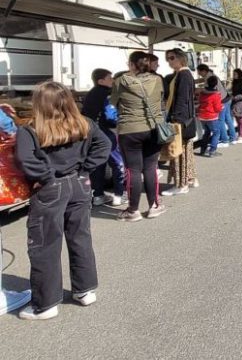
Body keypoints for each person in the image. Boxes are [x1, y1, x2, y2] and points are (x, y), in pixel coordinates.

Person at [14, 81, 110, 320]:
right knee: (80, 238)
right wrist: (85, 169)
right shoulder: (84, 123)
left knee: (45, 244)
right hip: (79, 183)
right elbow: (104, 145)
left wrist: (46, 177)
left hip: (50, 188)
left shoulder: (31, 130)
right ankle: (84, 290)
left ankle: (46, 304)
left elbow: (25, 160)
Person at [112, 51, 167, 221]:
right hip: (152, 128)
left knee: (133, 170)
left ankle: (133, 210)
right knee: (150, 168)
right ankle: (154, 206)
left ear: (131, 64)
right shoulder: (157, 80)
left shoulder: (120, 81)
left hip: (129, 130)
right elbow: (160, 99)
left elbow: (114, 102)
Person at [81, 68, 126, 207]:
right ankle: (119, 195)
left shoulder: (90, 94)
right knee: (117, 163)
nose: (112, 80)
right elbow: (110, 116)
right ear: (101, 80)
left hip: (90, 132)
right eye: (109, 78)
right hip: (106, 133)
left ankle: (98, 195)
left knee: (97, 164)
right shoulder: (107, 95)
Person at [161, 48, 198, 196]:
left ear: (181, 58)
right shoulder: (182, 74)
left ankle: (181, 184)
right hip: (184, 119)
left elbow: (182, 99)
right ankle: (189, 179)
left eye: (172, 58)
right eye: (167, 59)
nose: (169, 61)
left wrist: (176, 119)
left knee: (177, 152)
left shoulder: (183, 74)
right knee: (184, 152)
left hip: (180, 120)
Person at [196, 64, 235, 147]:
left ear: (203, 71)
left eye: (199, 72)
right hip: (226, 98)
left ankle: (224, 140)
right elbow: (202, 80)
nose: (199, 74)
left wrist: (200, 90)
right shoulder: (211, 75)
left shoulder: (209, 78)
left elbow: (210, 91)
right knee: (228, 119)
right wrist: (195, 82)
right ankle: (233, 137)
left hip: (221, 100)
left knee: (220, 121)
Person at [198, 75, 224, 157]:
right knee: (216, 132)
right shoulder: (216, 95)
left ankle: (203, 150)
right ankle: (212, 150)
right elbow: (217, 108)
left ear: (207, 83)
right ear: (216, 85)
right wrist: (222, 107)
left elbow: (200, 102)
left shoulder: (202, 93)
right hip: (211, 117)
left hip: (202, 116)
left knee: (206, 132)